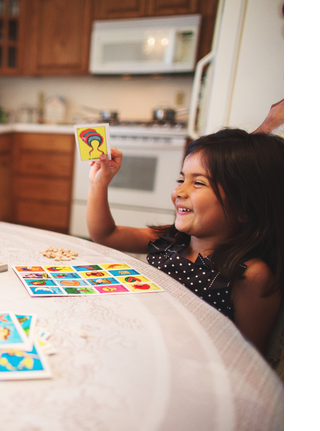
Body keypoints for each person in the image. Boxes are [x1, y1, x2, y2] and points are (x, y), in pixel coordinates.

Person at [86, 129, 283, 354]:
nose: (179, 191)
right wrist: (98, 184)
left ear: (244, 207)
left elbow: (250, 360)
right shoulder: (170, 241)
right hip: (143, 344)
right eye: (181, 179)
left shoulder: (251, 275)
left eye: (198, 183)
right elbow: (106, 235)